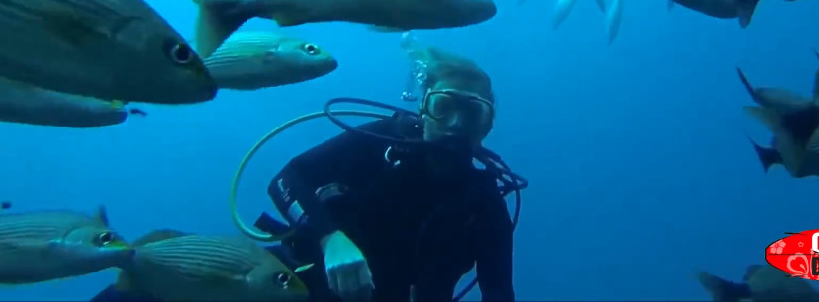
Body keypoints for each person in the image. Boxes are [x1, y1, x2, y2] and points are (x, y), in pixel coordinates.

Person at [90, 46, 517, 302]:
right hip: (288, 285)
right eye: (445, 107)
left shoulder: (485, 206)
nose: (457, 124)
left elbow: (500, 295)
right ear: (422, 109)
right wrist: (331, 236)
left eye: (473, 113)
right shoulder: (383, 141)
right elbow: (287, 178)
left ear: (488, 125)